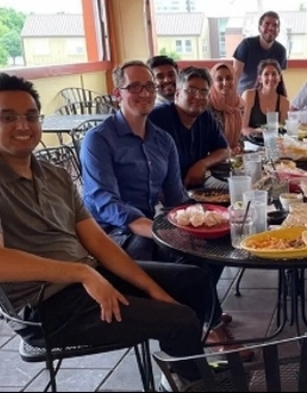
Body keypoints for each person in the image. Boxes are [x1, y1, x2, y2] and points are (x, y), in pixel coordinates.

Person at [0, 72, 211, 390]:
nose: (22, 126)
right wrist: (81, 274)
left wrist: (152, 289)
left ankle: (182, 371)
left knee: (192, 279)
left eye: (31, 116)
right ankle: (199, 382)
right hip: (44, 306)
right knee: (178, 319)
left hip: (86, 278)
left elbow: (97, 241)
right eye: (7, 117)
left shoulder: (56, 176)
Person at [80, 61, 250, 359]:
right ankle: (204, 328)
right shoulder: (99, 139)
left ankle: (202, 315)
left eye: (149, 86)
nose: (144, 92)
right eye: (134, 86)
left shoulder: (162, 140)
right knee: (173, 257)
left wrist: (202, 220)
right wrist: (142, 223)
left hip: (152, 224)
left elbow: (176, 198)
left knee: (210, 244)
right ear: (117, 93)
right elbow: (102, 199)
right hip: (110, 234)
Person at [149, 66, 230, 189]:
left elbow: (224, 150)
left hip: (197, 186)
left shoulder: (205, 116)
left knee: (241, 190)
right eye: (191, 90)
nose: (198, 97)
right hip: (164, 192)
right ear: (177, 94)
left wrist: (202, 164)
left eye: (204, 92)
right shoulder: (157, 117)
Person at [233, 11, 287, 96]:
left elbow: (279, 80)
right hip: (244, 96)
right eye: (267, 24)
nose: (271, 28)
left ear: (278, 31)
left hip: (268, 98)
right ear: (259, 28)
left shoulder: (281, 51)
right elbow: (235, 75)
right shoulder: (246, 45)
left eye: (275, 25)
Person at [241, 59, 289, 136]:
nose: (271, 78)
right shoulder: (249, 95)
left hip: (274, 144)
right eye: (266, 74)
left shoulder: (284, 102)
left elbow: (282, 131)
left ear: (279, 78)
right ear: (260, 79)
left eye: (274, 74)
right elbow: (243, 128)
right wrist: (260, 132)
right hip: (251, 143)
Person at [208, 62, 244, 155]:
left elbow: (241, 137)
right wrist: (226, 152)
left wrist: (238, 147)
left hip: (235, 159)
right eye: (219, 79)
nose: (225, 83)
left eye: (229, 78)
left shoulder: (238, 104)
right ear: (212, 83)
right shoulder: (207, 107)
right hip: (213, 160)